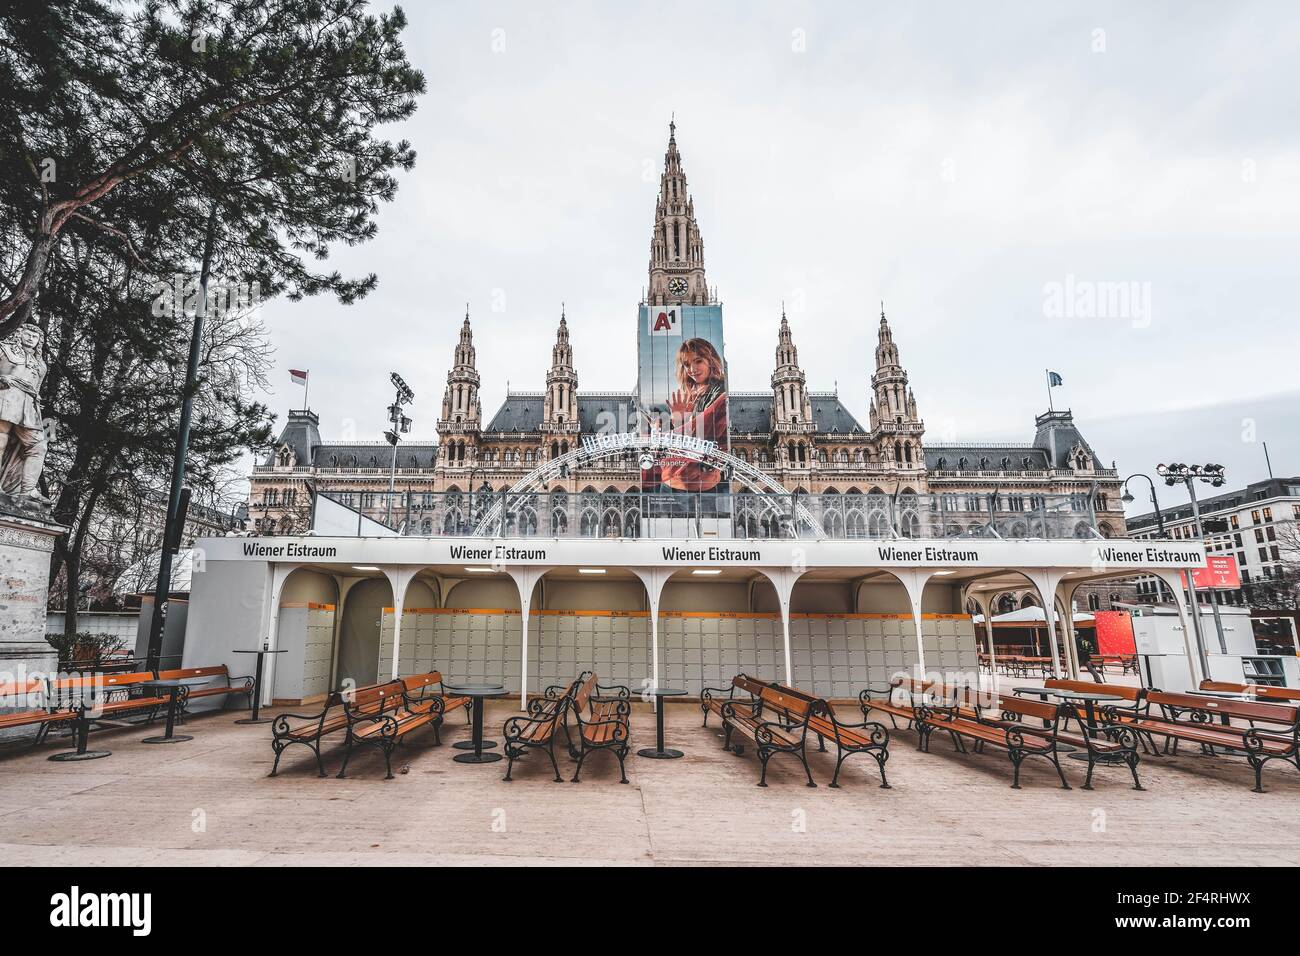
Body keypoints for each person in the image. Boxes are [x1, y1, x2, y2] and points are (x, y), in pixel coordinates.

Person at [658, 337, 728, 494]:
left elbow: (700, 436)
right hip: (675, 482)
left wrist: (678, 422)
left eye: (698, 361)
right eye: (687, 364)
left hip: (700, 485)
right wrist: (678, 420)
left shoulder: (720, 394)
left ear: (711, 361)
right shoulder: (691, 392)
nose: (692, 369)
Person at [0, 323, 51, 504]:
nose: (31, 338)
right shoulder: (3, 350)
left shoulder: (41, 365)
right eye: (28, 334)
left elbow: (36, 391)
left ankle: (26, 491)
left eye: (35, 336)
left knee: (39, 446)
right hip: (4, 397)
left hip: (28, 407)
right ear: (19, 333)